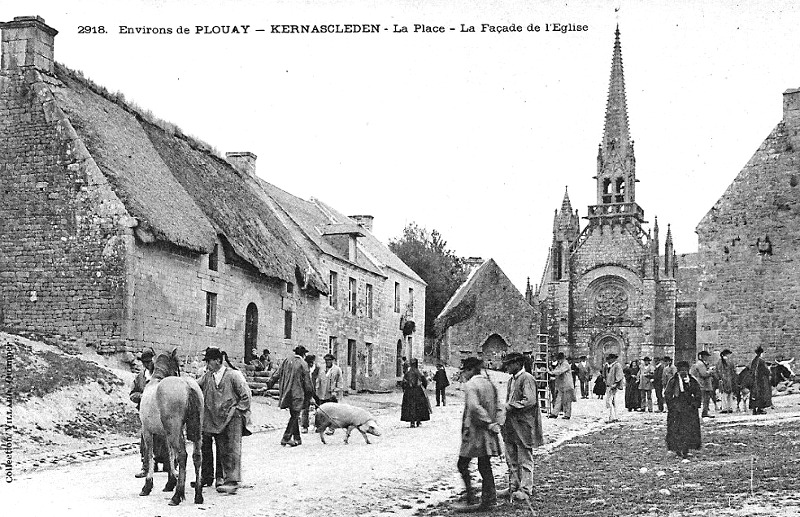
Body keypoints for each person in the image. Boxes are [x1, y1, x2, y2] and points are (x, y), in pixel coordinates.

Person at [198, 347, 254, 494]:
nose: (207, 365)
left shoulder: (233, 375)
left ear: (217, 361)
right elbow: (196, 386)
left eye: (209, 362)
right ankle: (223, 478)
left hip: (233, 417)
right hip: (217, 419)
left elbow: (246, 396)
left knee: (232, 449)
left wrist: (236, 411)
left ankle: (233, 482)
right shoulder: (208, 376)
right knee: (223, 449)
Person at [452, 357, 502, 512]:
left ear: (471, 370)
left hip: (475, 432)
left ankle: (471, 497)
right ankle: (490, 498)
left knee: (462, 464)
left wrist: (487, 422)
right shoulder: (490, 384)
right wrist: (496, 424)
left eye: (465, 370)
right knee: (484, 465)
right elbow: (500, 407)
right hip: (488, 432)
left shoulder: (470, 385)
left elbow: (474, 407)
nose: (464, 374)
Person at [498, 352, 543, 503]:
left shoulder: (527, 378)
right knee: (511, 457)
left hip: (524, 424)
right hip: (511, 424)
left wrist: (509, 406)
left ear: (518, 363)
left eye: (510, 364)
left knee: (524, 458)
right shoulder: (511, 380)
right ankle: (513, 485)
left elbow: (529, 401)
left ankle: (525, 489)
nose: (507, 367)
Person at [130, 348, 167, 477]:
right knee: (146, 439)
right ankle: (146, 467)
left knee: (163, 438)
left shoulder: (161, 377)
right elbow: (132, 394)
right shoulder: (140, 378)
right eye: (144, 362)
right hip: (146, 413)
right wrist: (141, 396)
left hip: (160, 412)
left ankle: (168, 464)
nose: (147, 364)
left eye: (149, 362)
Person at [267, 345, 314, 446]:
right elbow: (307, 383)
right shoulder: (303, 364)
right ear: (304, 354)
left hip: (286, 392)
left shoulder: (286, 360)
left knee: (294, 414)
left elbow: (276, 374)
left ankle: (297, 437)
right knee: (295, 415)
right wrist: (310, 395)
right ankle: (286, 437)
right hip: (297, 393)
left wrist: (269, 385)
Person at [664, 361, 702, 459]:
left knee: (688, 430)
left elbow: (697, 393)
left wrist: (694, 404)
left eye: (685, 370)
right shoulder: (673, 381)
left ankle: (686, 449)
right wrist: (672, 406)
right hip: (677, 410)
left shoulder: (692, 381)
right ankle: (677, 450)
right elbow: (668, 394)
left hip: (689, 409)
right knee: (677, 429)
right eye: (681, 370)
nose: (683, 372)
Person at [401, 358, 431, 427]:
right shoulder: (418, 372)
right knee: (419, 406)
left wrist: (404, 389)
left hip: (409, 391)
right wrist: (424, 387)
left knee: (410, 406)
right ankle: (418, 421)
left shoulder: (408, 373)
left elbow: (403, 382)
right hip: (418, 391)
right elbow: (424, 381)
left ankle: (412, 422)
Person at [547, 352, 575, 419]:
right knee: (558, 399)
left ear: (562, 358)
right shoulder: (560, 364)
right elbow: (557, 370)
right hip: (561, 385)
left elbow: (560, 371)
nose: (558, 361)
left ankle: (567, 414)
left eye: (559, 359)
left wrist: (551, 372)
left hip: (567, 385)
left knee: (567, 400)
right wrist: (552, 372)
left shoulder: (565, 364)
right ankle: (554, 413)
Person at [690, 351, 715, 418]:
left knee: (706, 399)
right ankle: (704, 413)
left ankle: (705, 412)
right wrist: (710, 371)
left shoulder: (702, 364)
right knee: (705, 399)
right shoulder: (700, 364)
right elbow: (704, 374)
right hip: (703, 384)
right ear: (702, 356)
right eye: (706, 356)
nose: (707, 358)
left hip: (704, 384)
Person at [300, 354, 321, 433]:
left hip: (316, 390)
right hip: (306, 391)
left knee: (318, 408)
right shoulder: (304, 369)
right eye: (309, 363)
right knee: (305, 408)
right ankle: (304, 426)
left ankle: (318, 426)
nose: (311, 364)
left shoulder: (318, 369)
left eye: (312, 362)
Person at [750, 346, 772, 415]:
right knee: (762, 394)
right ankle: (760, 408)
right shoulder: (761, 361)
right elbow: (767, 371)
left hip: (754, 380)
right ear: (761, 353)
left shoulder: (754, 360)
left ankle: (754, 409)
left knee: (755, 394)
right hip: (761, 380)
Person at [715, 349, 738, 414]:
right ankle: (729, 407)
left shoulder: (720, 362)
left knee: (725, 394)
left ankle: (725, 407)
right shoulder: (730, 362)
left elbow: (716, 371)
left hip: (724, 379)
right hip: (728, 379)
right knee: (729, 394)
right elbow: (734, 371)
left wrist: (719, 378)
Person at [604, 353, 624, 423]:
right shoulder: (607, 366)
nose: (609, 360)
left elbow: (619, 375)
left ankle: (614, 416)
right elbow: (605, 375)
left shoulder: (617, 365)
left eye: (610, 359)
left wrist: (616, 383)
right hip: (609, 385)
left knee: (613, 401)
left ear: (613, 359)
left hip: (614, 386)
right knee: (610, 401)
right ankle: (611, 416)